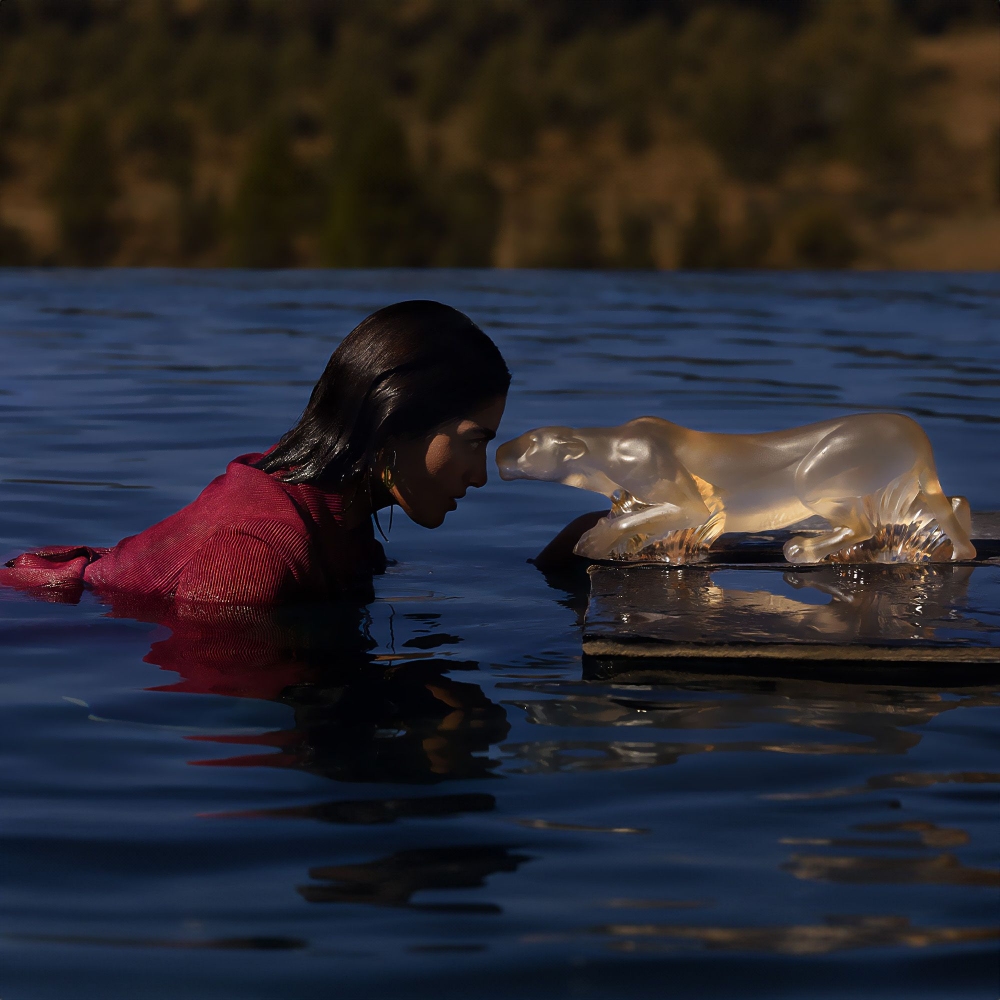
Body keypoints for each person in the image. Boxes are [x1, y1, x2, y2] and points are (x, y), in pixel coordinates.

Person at [1, 301, 510, 605]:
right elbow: (218, 722)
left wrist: (566, 554)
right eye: (473, 442)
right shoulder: (255, 552)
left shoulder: (332, 505)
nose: (481, 476)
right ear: (393, 425)